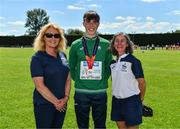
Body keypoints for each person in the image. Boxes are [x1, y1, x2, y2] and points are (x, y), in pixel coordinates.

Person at [69, 10, 112, 129]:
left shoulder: (106, 44)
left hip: (100, 92)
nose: (91, 25)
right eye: (88, 22)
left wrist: (102, 80)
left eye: (94, 22)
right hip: (81, 92)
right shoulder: (75, 44)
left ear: (98, 24)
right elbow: (71, 66)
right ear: (83, 23)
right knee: (82, 126)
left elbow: (109, 66)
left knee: (100, 125)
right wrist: (79, 79)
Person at [30, 23, 71, 128]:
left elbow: (67, 78)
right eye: (49, 35)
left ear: (60, 38)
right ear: (43, 37)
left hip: (62, 103)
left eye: (56, 35)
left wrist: (66, 98)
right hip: (44, 104)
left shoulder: (63, 55)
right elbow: (39, 86)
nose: (53, 38)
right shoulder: (37, 58)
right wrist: (57, 102)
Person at [110, 32, 146, 129]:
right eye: (116, 41)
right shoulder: (112, 63)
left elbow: (142, 82)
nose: (119, 43)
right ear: (113, 44)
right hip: (116, 101)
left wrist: (140, 99)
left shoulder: (134, 61)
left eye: (122, 41)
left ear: (127, 44)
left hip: (131, 101)